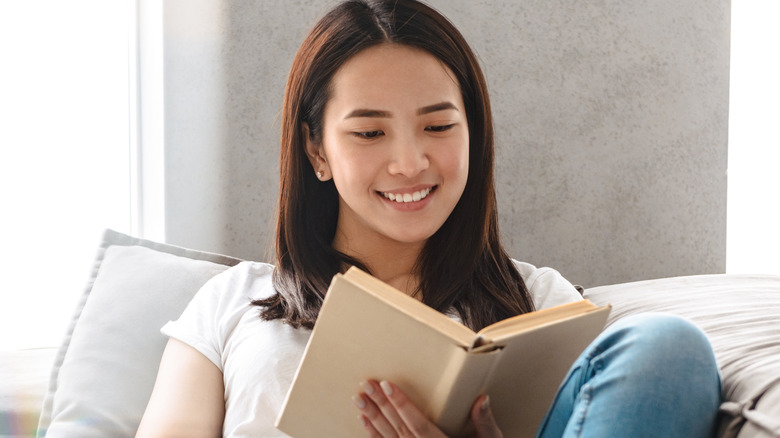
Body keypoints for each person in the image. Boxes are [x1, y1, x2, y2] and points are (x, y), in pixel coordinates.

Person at [136, 1, 722, 437]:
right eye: (369, 133)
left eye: (439, 127)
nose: (410, 162)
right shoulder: (230, 304)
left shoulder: (541, 302)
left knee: (666, 346)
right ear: (316, 151)